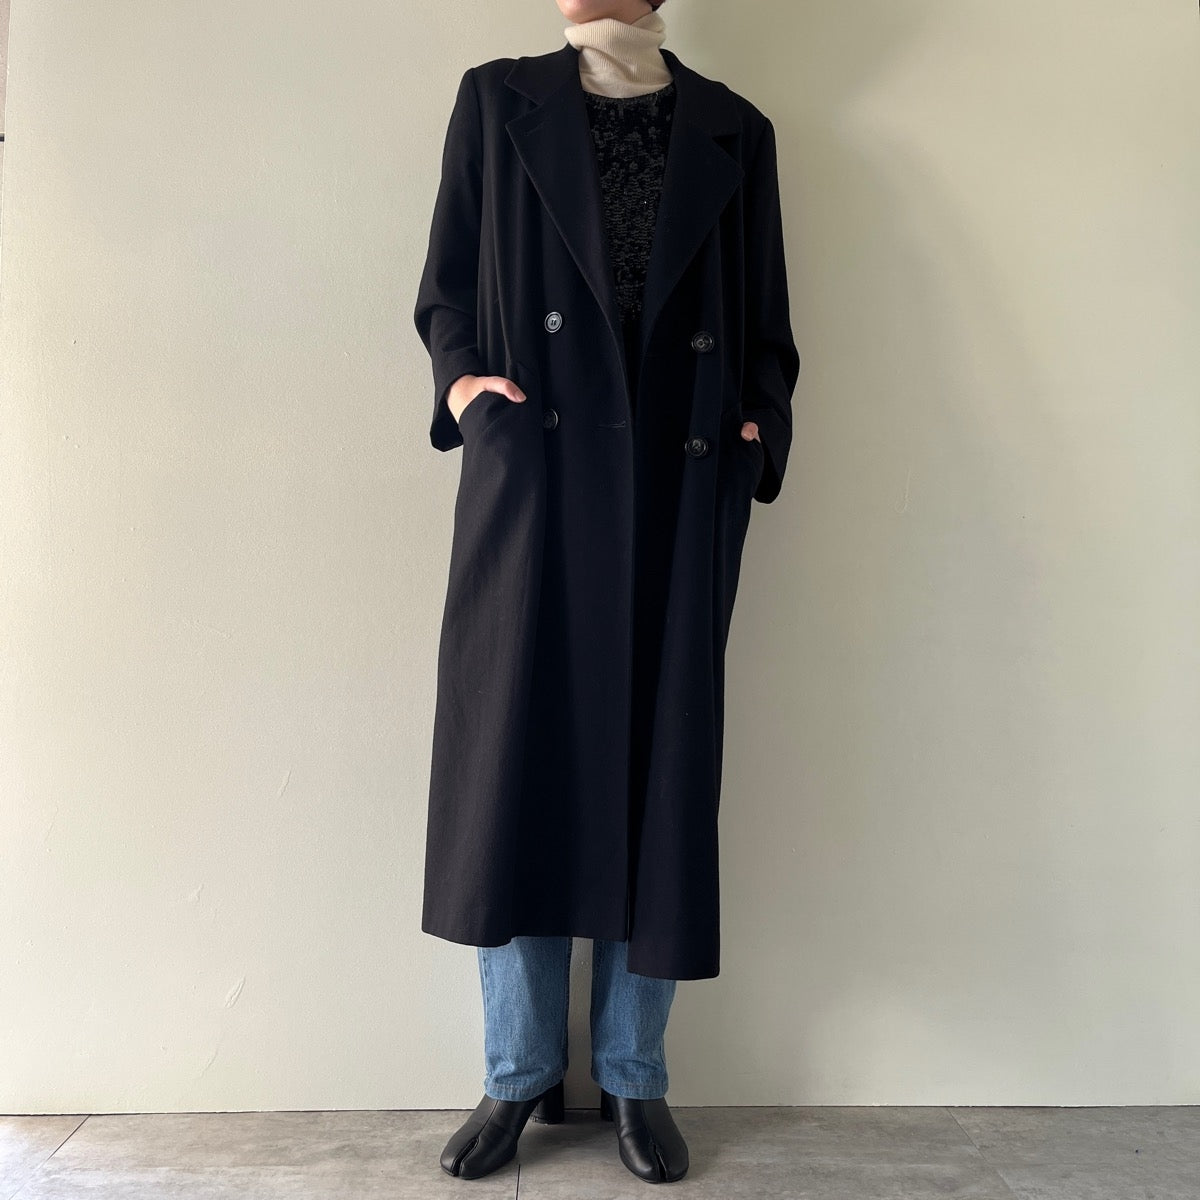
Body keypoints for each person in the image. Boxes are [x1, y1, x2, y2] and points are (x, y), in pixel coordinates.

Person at [413, 0, 800, 1183]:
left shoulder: (734, 129)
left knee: (660, 782)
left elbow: (769, 329)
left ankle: (634, 1074)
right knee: (515, 776)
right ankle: (516, 1073)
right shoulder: (498, 100)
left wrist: (755, 431)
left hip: (677, 490)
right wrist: (467, 391)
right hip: (535, 488)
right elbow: (446, 286)